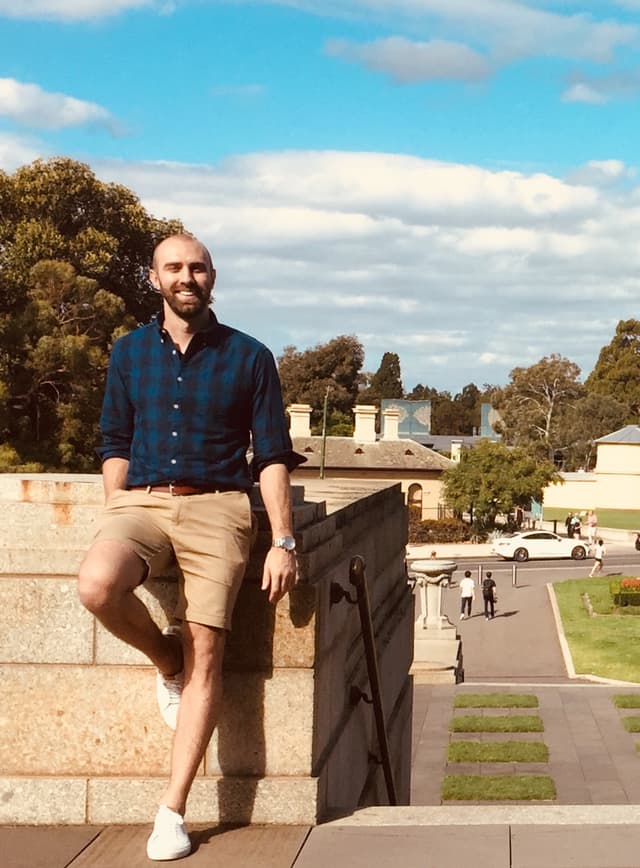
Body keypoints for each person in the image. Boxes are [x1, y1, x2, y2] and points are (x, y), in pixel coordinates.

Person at [77, 234, 302, 862]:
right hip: (142, 502)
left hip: (219, 508)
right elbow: (115, 441)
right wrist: (116, 507)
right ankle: (164, 657)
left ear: (212, 278)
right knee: (96, 585)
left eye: (197, 268)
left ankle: (172, 811)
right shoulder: (129, 352)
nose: (186, 277)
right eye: (173, 267)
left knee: (210, 652)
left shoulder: (250, 356)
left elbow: (272, 456)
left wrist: (283, 541)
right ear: (154, 279)